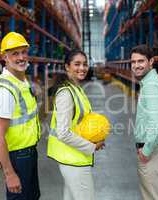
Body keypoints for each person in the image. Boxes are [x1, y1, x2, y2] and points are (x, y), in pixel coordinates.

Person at [0, 32, 41, 200]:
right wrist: (9, 173)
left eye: (24, 52)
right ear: (5, 57)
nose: (21, 57)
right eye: (15, 53)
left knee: (32, 197)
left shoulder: (21, 81)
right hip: (18, 156)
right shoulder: (5, 89)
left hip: (29, 152)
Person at [47, 50, 105, 200]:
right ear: (67, 67)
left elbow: (80, 124)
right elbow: (63, 133)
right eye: (77, 64)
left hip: (74, 157)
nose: (82, 68)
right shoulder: (66, 93)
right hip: (73, 160)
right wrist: (92, 147)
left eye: (85, 64)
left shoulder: (76, 88)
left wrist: (95, 137)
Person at [130, 45, 158, 200]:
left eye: (141, 61)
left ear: (151, 61)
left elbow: (156, 123)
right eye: (133, 62)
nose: (136, 65)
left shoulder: (151, 86)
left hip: (153, 151)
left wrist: (146, 150)